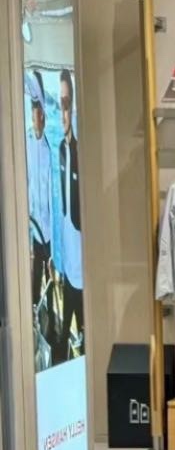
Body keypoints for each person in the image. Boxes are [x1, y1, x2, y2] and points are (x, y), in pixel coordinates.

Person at [58, 68, 83, 360]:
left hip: (83, 270)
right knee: (63, 336)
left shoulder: (80, 153)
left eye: (67, 104)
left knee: (87, 343)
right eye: (60, 104)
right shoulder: (61, 151)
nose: (63, 112)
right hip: (67, 264)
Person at [25, 70, 52, 310]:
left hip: (50, 231)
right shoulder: (26, 144)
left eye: (39, 110)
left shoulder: (49, 147)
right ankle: (35, 312)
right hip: (35, 229)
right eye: (34, 110)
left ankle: (50, 313)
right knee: (35, 285)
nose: (37, 116)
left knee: (51, 281)